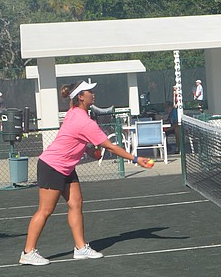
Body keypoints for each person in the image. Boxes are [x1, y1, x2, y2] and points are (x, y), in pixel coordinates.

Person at [19, 80, 154, 266]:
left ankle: (81, 248)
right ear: (81, 97)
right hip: (52, 166)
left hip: (66, 167)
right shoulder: (84, 121)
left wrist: (89, 150)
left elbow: (72, 137)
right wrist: (136, 159)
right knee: (45, 210)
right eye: (89, 92)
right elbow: (111, 147)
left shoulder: (74, 113)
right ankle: (28, 252)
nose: (93, 94)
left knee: (76, 203)